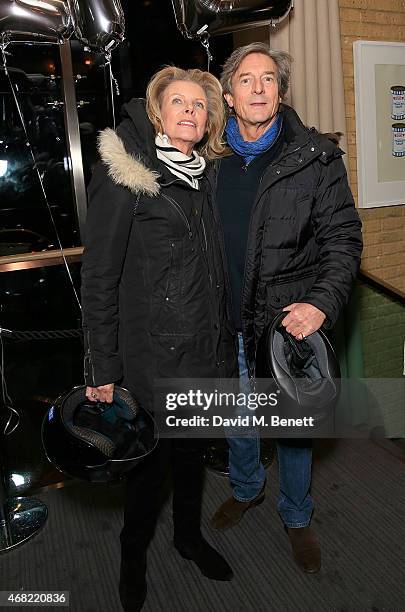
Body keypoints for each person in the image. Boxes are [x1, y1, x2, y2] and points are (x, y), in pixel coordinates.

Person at [80, 66, 238, 611]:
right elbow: (99, 274)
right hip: (152, 360)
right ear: (156, 112)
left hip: (203, 352)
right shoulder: (129, 172)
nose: (191, 110)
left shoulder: (208, 176)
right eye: (179, 101)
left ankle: (189, 538)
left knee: (192, 457)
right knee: (148, 474)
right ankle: (132, 563)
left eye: (200, 104)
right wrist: (102, 368)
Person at [210, 43, 363, 573]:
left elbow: (343, 240)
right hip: (223, 322)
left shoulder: (316, 156)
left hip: (286, 326)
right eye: (246, 80)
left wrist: (320, 305)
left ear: (281, 91)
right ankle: (247, 487)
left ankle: (297, 515)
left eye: (269, 79)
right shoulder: (203, 160)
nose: (259, 88)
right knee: (238, 417)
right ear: (228, 97)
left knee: (296, 430)